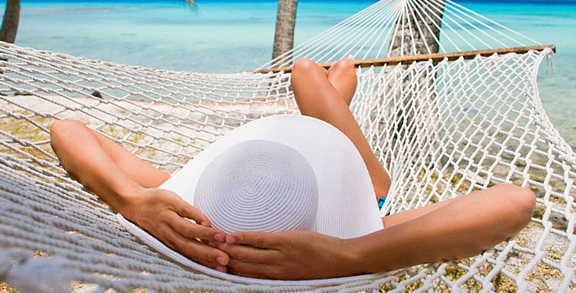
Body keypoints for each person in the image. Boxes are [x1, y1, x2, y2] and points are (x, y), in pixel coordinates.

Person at [50, 58, 536, 280]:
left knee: (309, 73)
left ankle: (332, 99)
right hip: (362, 187)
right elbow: (514, 201)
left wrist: (132, 203)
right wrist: (347, 255)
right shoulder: (355, 235)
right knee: (309, 72)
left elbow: (67, 129)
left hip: (263, 167)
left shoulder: (189, 217)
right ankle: (335, 95)